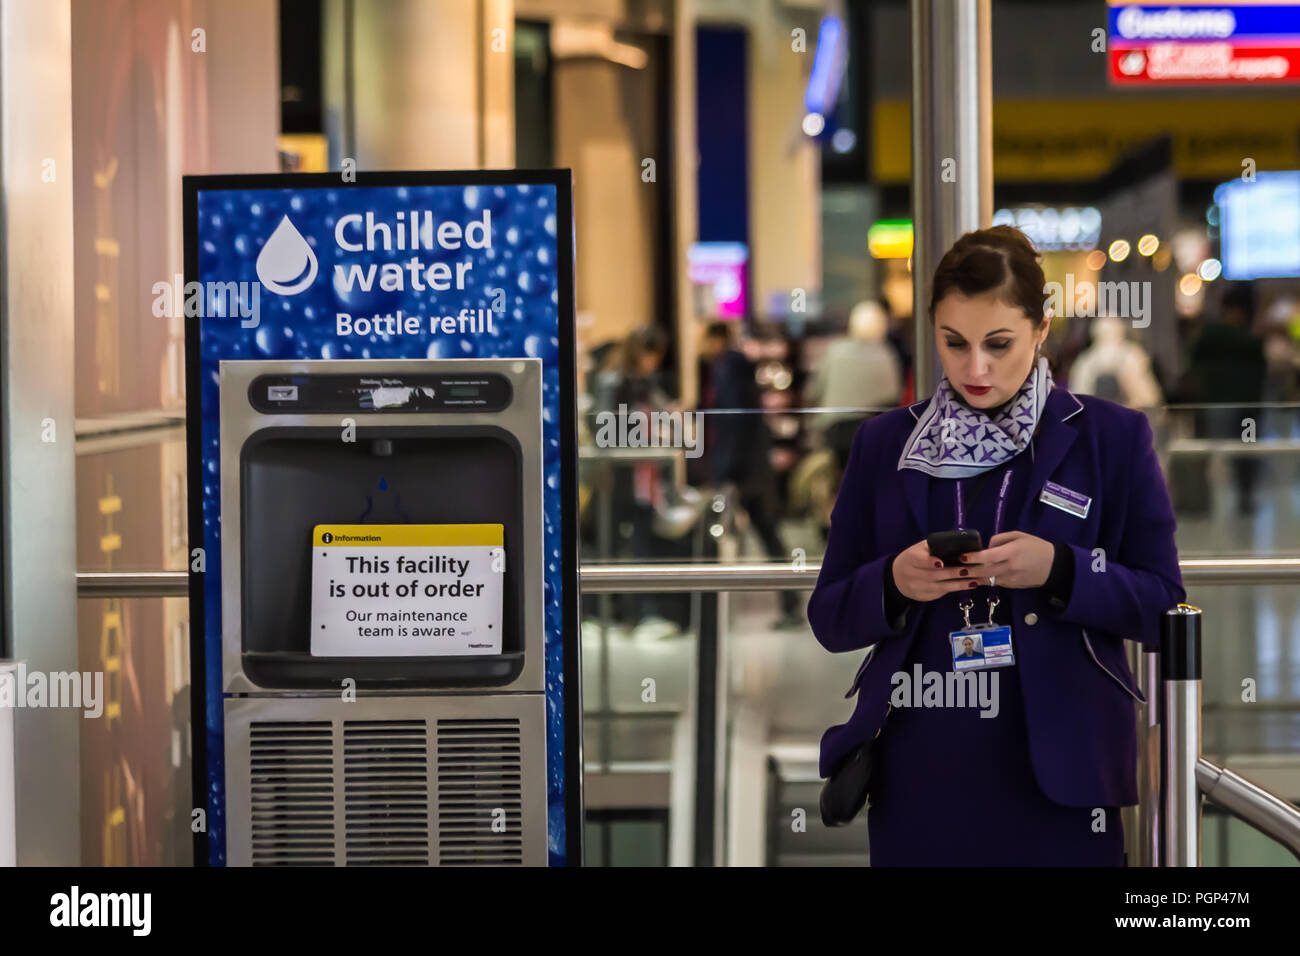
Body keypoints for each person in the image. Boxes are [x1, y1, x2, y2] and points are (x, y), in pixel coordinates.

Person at [808, 226, 1185, 866]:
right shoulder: (884, 444)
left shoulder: (1110, 439)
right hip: (919, 767)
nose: (975, 368)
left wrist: (1061, 569)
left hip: (1062, 777)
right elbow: (830, 614)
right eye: (954, 343)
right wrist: (893, 581)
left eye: (999, 344)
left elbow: (1162, 604)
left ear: (1041, 331)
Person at [699, 321, 803, 628]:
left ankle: (710, 614)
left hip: (741, 469)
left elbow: (732, 423)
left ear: (714, 339)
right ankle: (791, 603)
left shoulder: (727, 370)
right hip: (753, 465)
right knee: (768, 534)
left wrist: (725, 471)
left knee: (721, 536)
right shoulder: (738, 368)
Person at [806, 299, 903, 471]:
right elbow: (893, 399)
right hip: (871, 435)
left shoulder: (834, 352)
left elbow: (814, 391)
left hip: (835, 433)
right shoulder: (886, 355)